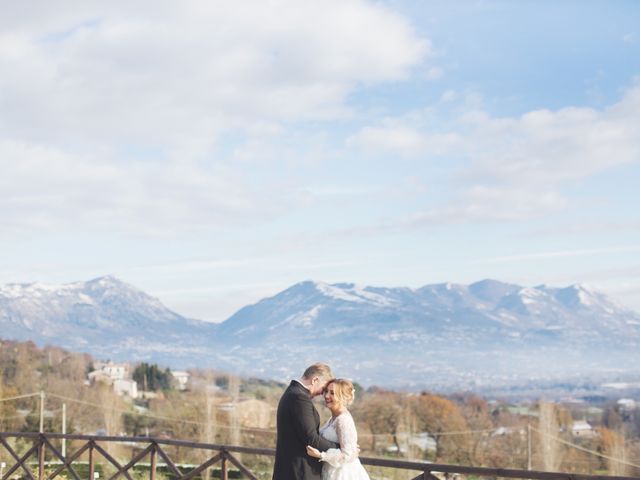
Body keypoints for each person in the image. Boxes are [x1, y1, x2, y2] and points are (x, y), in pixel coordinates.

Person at [273, 363, 340, 480]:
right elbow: (311, 439)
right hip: (299, 473)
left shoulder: (292, 393)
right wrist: (340, 447)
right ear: (315, 380)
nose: (323, 393)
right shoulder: (299, 398)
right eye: (323, 388)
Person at [306, 378, 370, 480]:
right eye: (326, 391)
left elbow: (348, 455)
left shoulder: (343, 420)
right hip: (331, 471)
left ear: (343, 397)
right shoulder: (333, 418)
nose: (326, 396)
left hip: (342, 474)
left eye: (332, 393)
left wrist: (321, 455)